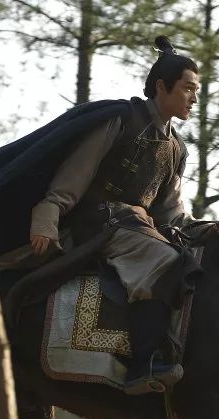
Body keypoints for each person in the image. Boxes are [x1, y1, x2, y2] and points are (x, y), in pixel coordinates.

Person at [27, 36, 200, 395]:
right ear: (161, 86)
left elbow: (171, 214)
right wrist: (48, 215)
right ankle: (143, 365)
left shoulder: (177, 149)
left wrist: (212, 231)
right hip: (99, 222)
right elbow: (74, 176)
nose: (194, 99)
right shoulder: (121, 120)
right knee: (164, 259)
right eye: (187, 89)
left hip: (138, 227)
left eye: (195, 91)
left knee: (189, 255)